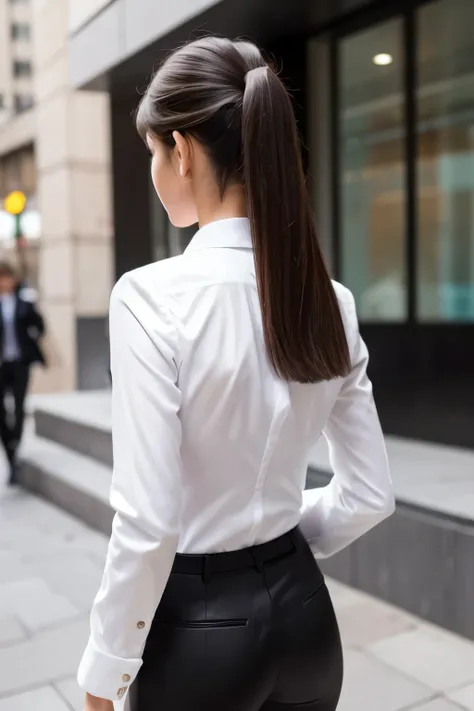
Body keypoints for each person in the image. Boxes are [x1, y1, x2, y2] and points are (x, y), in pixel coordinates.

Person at [78, 37, 394, 711]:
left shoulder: (149, 297)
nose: (155, 173)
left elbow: (149, 520)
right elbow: (370, 494)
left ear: (183, 150)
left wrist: (104, 672)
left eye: (154, 154)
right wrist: (274, 538)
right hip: (308, 620)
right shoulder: (329, 300)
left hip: (198, 640)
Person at [0, 261, 45, 485]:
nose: (4, 282)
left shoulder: (23, 300)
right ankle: (10, 448)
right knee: (2, 413)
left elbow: (39, 326)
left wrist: (32, 336)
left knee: (18, 406)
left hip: (20, 363)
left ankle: (15, 446)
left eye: (7, 277)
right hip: (1, 366)